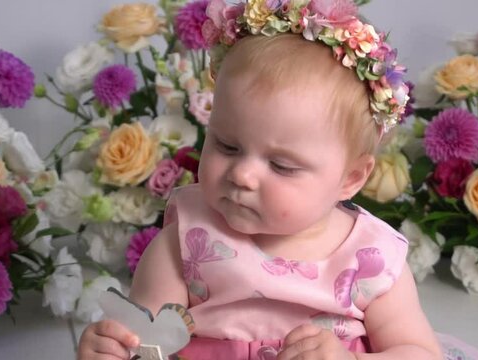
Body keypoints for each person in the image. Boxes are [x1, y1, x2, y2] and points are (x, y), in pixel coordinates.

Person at [78, 0, 444, 359]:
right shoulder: (187, 241)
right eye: (226, 145)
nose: (243, 174)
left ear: (350, 178)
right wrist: (115, 350)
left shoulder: (371, 260)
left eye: (282, 166)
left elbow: (420, 353)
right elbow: (145, 345)